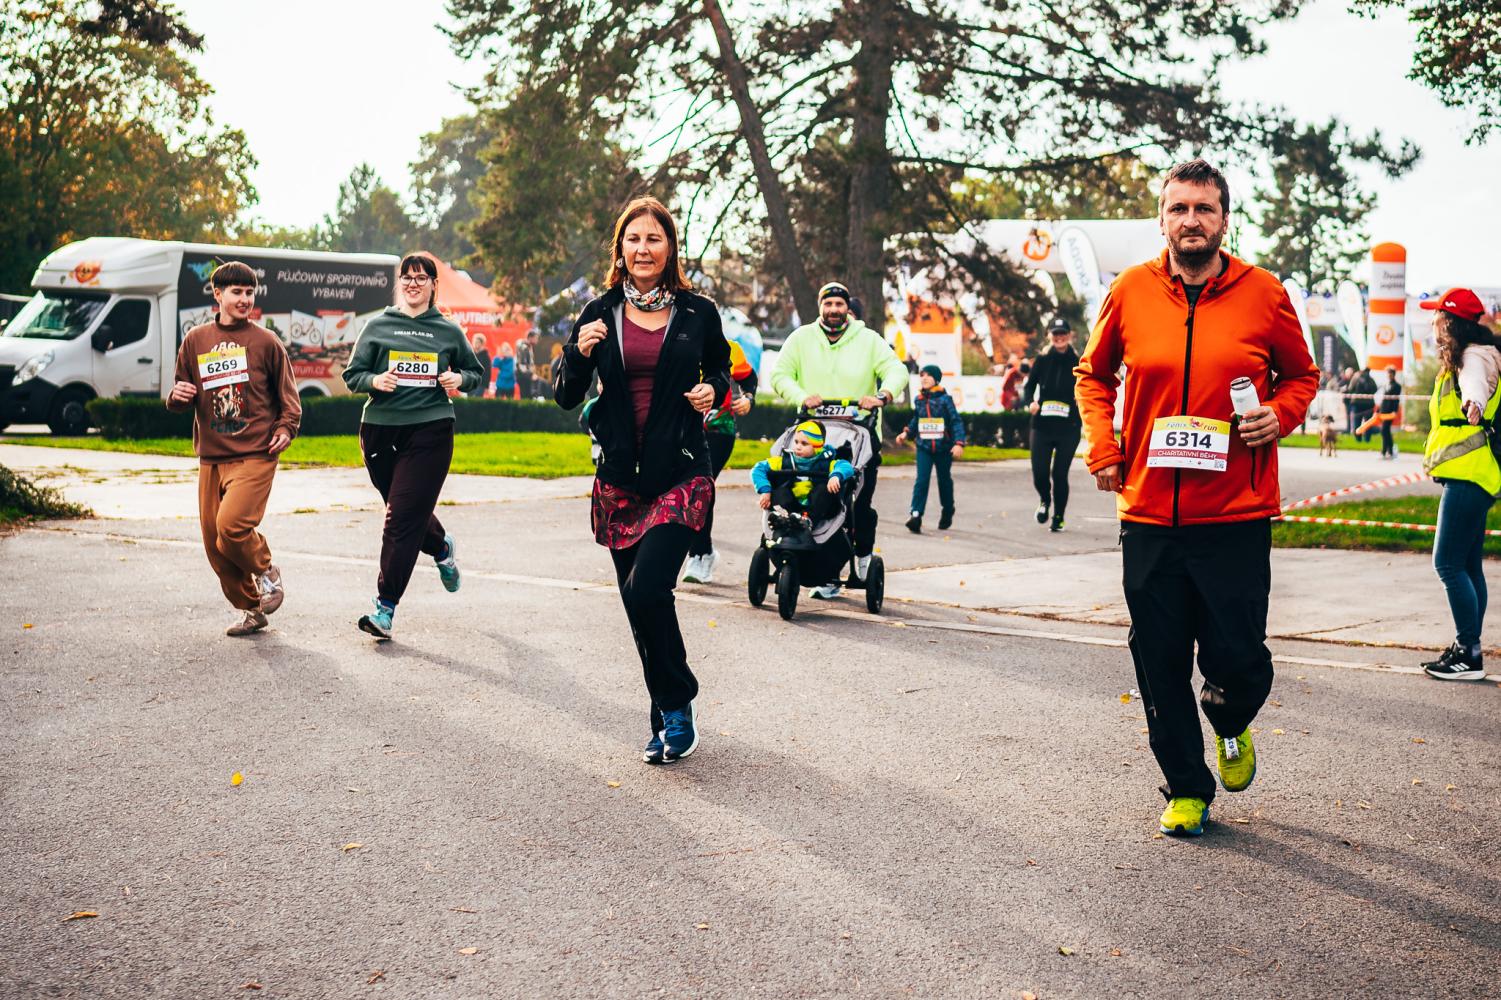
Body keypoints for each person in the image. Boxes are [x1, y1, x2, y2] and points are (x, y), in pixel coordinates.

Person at [1074, 158, 1318, 838]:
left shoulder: (1262, 293)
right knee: (1157, 661)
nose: (1190, 220)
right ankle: (1185, 786)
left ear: (1223, 220)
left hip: (1234, 514)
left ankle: (1230, 718)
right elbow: (1092, 376)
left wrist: (1279, 414)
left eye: (1203, 209)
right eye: (1178, 208)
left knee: (1237, 658)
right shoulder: (1130, 290)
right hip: (1149, 513)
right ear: (1161, 219)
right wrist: (1102, 444)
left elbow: (1301, 376)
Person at [552, 196, 730, 765]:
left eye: (654, 238)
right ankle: (669, 720)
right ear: (620, 249)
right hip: (620, 481)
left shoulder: (698, 313)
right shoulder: (598, 312)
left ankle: (677, 703)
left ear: (670, 248)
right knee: (638, 607)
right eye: (634, 239)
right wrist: (578, 354)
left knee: (647, 589)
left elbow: (723, 370)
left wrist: (714, 390)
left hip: (681, 470)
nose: (643, 248)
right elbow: (565, 394)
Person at [341, 253, 487, 640]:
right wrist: (375, 381)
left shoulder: (448, 330)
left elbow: (475, 372)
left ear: (434, 285)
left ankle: (384, 608)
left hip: (430, 431)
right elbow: (352, 375)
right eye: (406, 277)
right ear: (399, 283)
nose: (413, 284)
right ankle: (440, 547)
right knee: (404, 509)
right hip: (379, 431)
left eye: (421, 278)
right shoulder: (378, 325)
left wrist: (459, 379)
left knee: (400, 518)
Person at [166, 261, 301, 636]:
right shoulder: (196, 340)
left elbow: (290, 401)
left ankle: (267, 569)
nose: (244, 299)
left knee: (232, 528)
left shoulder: (266, 342)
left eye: (249, 292)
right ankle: (253, 609)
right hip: (212, 457)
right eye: (236, 292)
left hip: (256, 453)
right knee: (215, 546)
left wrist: (286, 428)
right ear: (218, 294)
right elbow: (180, 393)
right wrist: (176, 397)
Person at [770, 280, 907, 599]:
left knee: (858, 505)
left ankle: (862, 555)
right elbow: (779, 375)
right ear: (820, 307)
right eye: (828, 304)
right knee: (806, 496)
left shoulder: (868, 340)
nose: (834, 309)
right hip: (811, 437)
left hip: (858, 438)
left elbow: (896, 370)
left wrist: (882, 395)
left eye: (839, 304)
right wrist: (801, 396)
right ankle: (813, 563)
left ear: (848, 308)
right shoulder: (801, 338)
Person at [1419, 288, 1500, 681]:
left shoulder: (1474, 357)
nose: (1432, 323)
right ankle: (1468, 647)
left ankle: (1468, 652)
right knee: (1468, 565)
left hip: (1469, 475)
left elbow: (1475, 385)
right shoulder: (1469, 355)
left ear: (1451, 322)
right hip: (1473, 474)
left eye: (1437, 316)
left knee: (1447, 564)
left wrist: (1475, 403)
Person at [682, 339, 757, 584]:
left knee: (700, 486)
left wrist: (748, 398)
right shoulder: (671, 339)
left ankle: (699, 555)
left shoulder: (729, 346)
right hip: (680, 428)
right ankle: (701, 550)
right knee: (680, 488)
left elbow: (748, 378)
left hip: (718, 429)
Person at [1025, 318, 1082, 532]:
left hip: (1069, 427)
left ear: (1069, 335)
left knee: (1059, 474)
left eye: (1063, 333)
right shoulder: (1042, 360)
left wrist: (1081, 397)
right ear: (1049, 336)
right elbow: (1029, 386)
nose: (1059, 337)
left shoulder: (1078, 361)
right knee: (1040, 473)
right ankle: (1044, 500)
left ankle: (1059, 516)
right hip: (1042, 426)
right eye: (1055, 333)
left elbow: (1087, 386)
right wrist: (1030, 402)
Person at [894, 365, 965, 533]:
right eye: (922, 375)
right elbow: (917, 420)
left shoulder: (945, 399)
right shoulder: (919, 399)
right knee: (922, 480)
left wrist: (959, 443)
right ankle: (915, 515)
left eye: (928, 375)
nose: (924, 378)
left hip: (943, 448)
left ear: (936, 379)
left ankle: (948, 509)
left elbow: (955, 421)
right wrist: (906, 433)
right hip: (924, 448)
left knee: (944, 481)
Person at [751, 419, 854, 524]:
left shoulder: (826, 462)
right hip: (792, 506)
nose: (798, 447)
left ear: (817, 446)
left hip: (818, 508)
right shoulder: (785, 460)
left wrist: (836, 476)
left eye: (804, 444)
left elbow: (846, 466)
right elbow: (758, 468)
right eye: (796, 442)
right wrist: (765, 491)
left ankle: (807, 520)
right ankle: (785, 518)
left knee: (823, 490)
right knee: (780, 492)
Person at [1374, 366, 1402, 459]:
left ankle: (1385, 451)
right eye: (1388, 373)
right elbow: (1384, 399)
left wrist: (1395, 411)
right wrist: (1378, 410)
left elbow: (1396, 400)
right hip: (1384, 410)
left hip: (1390, 411)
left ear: (1393, 374)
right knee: (1385, 431)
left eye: (1390, 373)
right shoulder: (1386, 385)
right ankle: (1389, 450)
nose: (1389, 375)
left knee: (1384, 430)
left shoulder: (1397, 386)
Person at [1347, 366, 1377, 440]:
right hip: (1369, 404)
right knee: (1368, 423)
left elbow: (1350, 388)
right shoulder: (1371, 379)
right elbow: (1375, 389)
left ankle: (1358, 439)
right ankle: (1367, 439)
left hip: (1357, 403)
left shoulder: (1356, 377)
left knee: (1357, 422)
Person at [515, 328, 537, 400]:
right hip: (523, 377)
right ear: (530, 338)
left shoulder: (529, 347)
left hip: (526, 376)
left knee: (528, 396)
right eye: (535, 338)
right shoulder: (524, 348)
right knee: (525, 397)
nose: (536, 340)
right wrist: (530, 374)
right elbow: (522, 365)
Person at [468, 333, 491, 398]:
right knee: (469, 401)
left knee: (477, 400)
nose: (475, 344)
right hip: (470, 383)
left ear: (482, 344)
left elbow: (488, 372)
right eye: (474, 342)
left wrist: (487, 386)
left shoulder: (485, 356)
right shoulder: (471, 354)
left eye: (477, 342)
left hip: (480, 384)